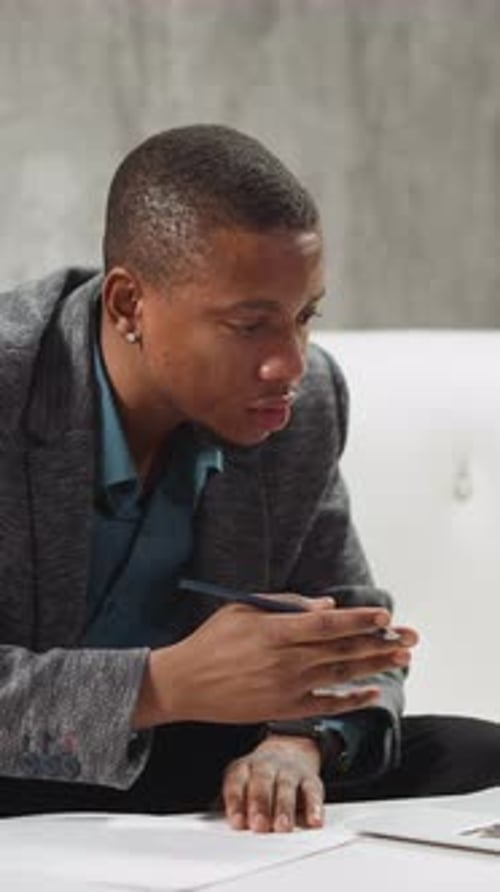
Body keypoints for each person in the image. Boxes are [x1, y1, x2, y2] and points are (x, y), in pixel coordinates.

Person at [0, 125, 498, 832]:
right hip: (20, 773)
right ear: (128, 304)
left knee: (474, 755)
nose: (289, 363)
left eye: (304, 317)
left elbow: (354, 634)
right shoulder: (13, 378)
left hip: (191, 768)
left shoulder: (305, 402)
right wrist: (159, 686)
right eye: (249, 326)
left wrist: (297, 743)